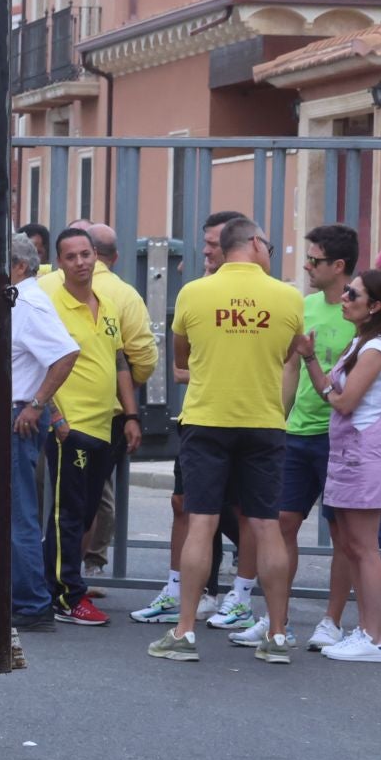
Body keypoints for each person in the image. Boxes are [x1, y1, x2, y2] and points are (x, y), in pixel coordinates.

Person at [149, 217, 302, 663]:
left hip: (207, 419)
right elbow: (287, 352)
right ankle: (275, 636)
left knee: (202, 522)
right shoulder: (288, 297)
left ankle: (183, 633)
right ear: (255, 243)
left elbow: (183, 358)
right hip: (264, 420)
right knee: (266, 525)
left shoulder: (194, 292)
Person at [234, 224, 358, 653]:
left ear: (338, 266)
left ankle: (332, 621)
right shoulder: (301, 307)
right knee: (283, 524)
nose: (306, 265)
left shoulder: (358, 314)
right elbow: (290, 367)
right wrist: (279, 418)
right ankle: (276, 619)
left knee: (343, 533)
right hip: (298, 433)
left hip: (341, 439)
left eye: (315, 259)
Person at [131, 209, 248, 626]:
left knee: (244, 513)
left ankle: (237, 591)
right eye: (206, 243)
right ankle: (187, 589)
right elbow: (179, 367)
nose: (207, 251)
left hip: (243, 420)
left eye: (214, 243)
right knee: (187, 503)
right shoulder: (197, 292)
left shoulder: (259, 296)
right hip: (200, 417)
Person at [39, 227, 138, 626]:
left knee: (83, 514)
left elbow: (119, 363)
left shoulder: (107, 304)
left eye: (85, 254)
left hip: (104, 425)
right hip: (70, 427)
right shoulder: (51, 303)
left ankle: (62, 589)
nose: (81, 262)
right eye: (71, 256)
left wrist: (130, 415)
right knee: (67, 514)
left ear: (97, 256)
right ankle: (65, 597)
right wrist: (56, 416)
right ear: (59, 263)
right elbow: (41, 362)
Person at [302, 268, 381, 662]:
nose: (345, 298)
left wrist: (335, 394)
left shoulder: (375, 348)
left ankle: (373, 635)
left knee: (365, 548)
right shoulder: (359, 343)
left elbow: (345, 402)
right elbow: (328, 392)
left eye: (354, 293)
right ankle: (365, 631)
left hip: (364, 455)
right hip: (347, 453)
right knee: (350, 545)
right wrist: (309, 357)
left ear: (376, 306)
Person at [77, 223, 158, 584]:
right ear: (116, 256)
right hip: (108, 413)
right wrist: (127, 397)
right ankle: (87, 565)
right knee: (95, 492)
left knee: (60, 497)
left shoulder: (51, 285)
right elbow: (143, 355)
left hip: (57, 410)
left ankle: (59, 575)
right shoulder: (124, 295)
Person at [7, 232, 78, 633]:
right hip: (20, 412)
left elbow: (65, 353)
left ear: (18, 266)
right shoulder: (24, 299)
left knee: (19, 513)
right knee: (16, 511)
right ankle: (26, 598)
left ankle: (32, 603)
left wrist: (37, 404)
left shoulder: (29, 302)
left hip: (18, 415)